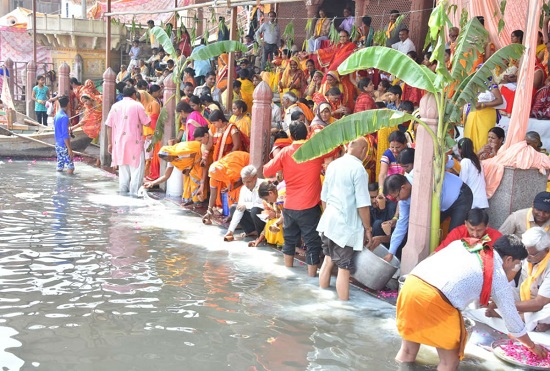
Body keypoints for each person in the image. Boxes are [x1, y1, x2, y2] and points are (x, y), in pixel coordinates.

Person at [396, 234, 547, 370]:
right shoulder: (497, 275)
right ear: (508, 259)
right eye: (515, 264)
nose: (514, 268)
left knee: (407, 351)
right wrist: (532, 346)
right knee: (449, 363)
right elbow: (512, 320)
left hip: (410, 286)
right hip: (436, 299)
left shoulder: (468, 245)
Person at [263, 121, 329, 277]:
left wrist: (282, 166)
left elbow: (266, 171)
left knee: (289, 239)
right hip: (309, 205)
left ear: (291, 136)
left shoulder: (285, 152)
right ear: (307, 134)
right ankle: (312, 277)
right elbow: (334, 149)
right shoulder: (314, 149)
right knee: (312, 242)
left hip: (290, 205)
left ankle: (288, 272)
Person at [318, 138, 372, 300]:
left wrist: (328, 216)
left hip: (328, 223)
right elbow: (362, 204)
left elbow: (324, 197)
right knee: (344, 267)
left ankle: (322, 297)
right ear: (363, 151)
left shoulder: (333, 165)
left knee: (328, 261)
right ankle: (343, 308)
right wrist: (368, 228)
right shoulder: (359, 170)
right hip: (345, 227)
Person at [384, 172, 473, 261]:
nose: (398, 200)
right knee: (424, 231)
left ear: (403, 188)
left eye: (397, 196)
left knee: (454, 235)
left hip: (461, 197)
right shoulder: (403, 201)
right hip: (440, 206)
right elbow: (401, 224)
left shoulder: (421, 175)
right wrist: (391, 252)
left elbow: (449, 162)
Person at [105, 86, 151, 197]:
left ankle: (123, 196)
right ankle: (134, 196)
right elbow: (147, 122)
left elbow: (108, 125)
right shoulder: (137, 105)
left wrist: (110, 143)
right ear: (134, 95)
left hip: (119, 143)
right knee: (136, 173)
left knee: (123, 173)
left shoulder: (115, 106)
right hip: (134, 143)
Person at [202, 151, 250, 225]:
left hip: (247, 163)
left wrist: (232, 187)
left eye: (218, 179)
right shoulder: (213, 175)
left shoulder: (231, 171)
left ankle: (241, 221)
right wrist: (209, 211)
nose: (216, 181)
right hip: (235, 172)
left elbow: (242, 180)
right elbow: (213, 194)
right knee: (230, 193)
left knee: (236, 192)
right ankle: (234, 215)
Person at [223, 165, 265, 242]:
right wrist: (230, 231)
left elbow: (265, 206)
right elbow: (240, 209)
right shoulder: (243, 189)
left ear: (255, 177)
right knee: (234, 208)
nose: (246, 184)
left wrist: (247, 205)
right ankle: (251, 231)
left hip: (264, 219)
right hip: (252, 218)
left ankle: (261, 234)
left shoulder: (263, 185)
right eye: (243, 181)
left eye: (248, 181)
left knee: (255, 210)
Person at [463, 75, 503, 153]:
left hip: (486, 114)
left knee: (483, 137)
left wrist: (484, 104)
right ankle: (470, 156)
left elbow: (499, 101)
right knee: (469, 135)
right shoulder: (473, 86)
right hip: (473, 113)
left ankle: (482, 157)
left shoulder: (491, 85)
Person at [435, 208, 502, 252]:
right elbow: (438, 253)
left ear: (487, 226)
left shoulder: (497, 238)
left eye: (479, 230)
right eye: (471, 229)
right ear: (466, 224)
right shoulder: (457, 233)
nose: (475, 234)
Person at [458, 138, 488, 209]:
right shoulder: (477, 162)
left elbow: (462, 182)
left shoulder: (465, 161)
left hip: (472, 202)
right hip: (481, 201)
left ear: (460, 150)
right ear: (472, 148)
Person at [367, 183, 397, 248]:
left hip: (390, 245)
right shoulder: (369, 206)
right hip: (373, 241)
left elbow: (396, 236)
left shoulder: (391, 207)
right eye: (371, 197)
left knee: (377, 224)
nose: (374, 201)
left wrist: (381, 239)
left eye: (376, 197)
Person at [53, 96, 74, 174]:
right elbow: (65, 134)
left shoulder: (57, 115)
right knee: (70, 166)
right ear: (68, 104)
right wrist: (69, 149)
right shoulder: (64, 117)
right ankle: (69, 184)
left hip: (58, 144)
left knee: (60, 166)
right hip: (63, 144)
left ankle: (59, 184)